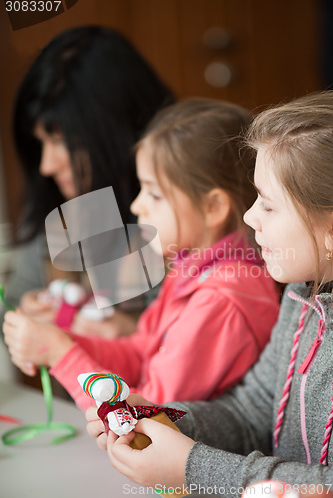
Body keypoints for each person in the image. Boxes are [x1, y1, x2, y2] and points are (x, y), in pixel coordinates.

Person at [85, 91, 333, 495]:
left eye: (268, 206)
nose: (249, 216)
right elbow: (251, 409)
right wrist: (160, 416)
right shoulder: (301, 297)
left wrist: (191, 467)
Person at [3, 98, 280, 411]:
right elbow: (139, 353)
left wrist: (61, 356)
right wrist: (60, 341)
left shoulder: (221, 301)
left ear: (213, 207)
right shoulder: (191, 271)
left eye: (155, 193)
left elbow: (148, 416)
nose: (136, 206)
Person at [1, 25, 174, 337]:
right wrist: (22, 316)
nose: (46, 166)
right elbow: (9, 311)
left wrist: (135, 338)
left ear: (116, 130)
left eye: (61, 141)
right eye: (40, 143)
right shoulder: (60, 215)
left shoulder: (184, 222)